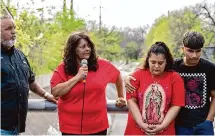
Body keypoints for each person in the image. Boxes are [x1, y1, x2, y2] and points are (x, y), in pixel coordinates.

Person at [125, 31, 215, 135]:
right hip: (180, 124)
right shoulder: (174, 66)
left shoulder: (210, 68)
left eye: (198, 51)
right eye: (190, 51)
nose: (194, 55)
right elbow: (150, 67)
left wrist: (210, 119)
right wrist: (128, 77)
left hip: (203, 123)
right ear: (182, 49)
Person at [50, 32, 126, 135]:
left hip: (98, 127)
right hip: (70, 129)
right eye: (83, 47)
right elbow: (55, 91)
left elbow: (118, 76)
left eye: (89, 46)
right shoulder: (63, 68)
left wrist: (121, 97)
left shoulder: (101, 65)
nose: (87, 49)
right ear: (74, 49)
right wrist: (77, 77)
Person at [1, 8, 57, 135]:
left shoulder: (20, 55)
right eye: (8, 29)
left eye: (14, 28)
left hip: (17, 127)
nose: (14, 32)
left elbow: (30, 81)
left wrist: (46, 95)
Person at [124, 42, 185, 135]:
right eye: (153, 62)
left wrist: (162, 125)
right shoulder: (137, 75)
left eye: (160, 63)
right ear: (148, 60)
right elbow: (131, 100)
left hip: (165, 131)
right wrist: (141, 123)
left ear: (166, 62)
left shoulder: (175, 78)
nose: (156, 66)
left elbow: (176, 105)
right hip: (136, 131)